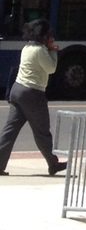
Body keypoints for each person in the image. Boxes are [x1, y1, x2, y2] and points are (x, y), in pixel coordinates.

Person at [0, 19, 66, 176]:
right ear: (43, 36)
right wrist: (53, 51)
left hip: (17, 90)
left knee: (10, 130)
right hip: (32, 93)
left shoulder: (27, 48)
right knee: (42, 131)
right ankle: (53, 164)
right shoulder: (40, 50)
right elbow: (51, 68)